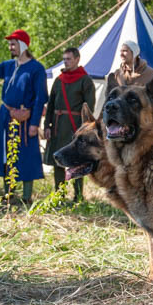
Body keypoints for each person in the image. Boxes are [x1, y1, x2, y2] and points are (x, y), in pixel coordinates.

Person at [0, 29, 48, 203]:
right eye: (10, 44)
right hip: (5, 115)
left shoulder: (36, 68)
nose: (10, 47)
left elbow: (41, 97)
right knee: (5, 153)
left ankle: (26, 197)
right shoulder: (8, 65)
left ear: (23, 45)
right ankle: (8, 193)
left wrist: (34, 123)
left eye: (13, 44)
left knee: (26, 155)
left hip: (25, 118)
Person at [42, 47, 95, 201]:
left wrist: (84, 130)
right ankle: (59, 195)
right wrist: (47, 126)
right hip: (58, 127)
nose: (65, 62)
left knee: (77, 161)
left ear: (77, 59)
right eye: (64, 59)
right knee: (58, 159)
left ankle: (78, 196)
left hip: (75, 128)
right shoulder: (59, 81)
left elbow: (89, 107)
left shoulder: (85, 80)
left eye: (69, 59)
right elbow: (51, 106)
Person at [96, 40, 153, 116]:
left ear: (134, 53)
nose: (121, 54)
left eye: (125, 51)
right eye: (120, 51)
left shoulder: (149, 74)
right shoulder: (117, 74)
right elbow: (110, 97)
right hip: (121, 117)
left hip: (142, 119)